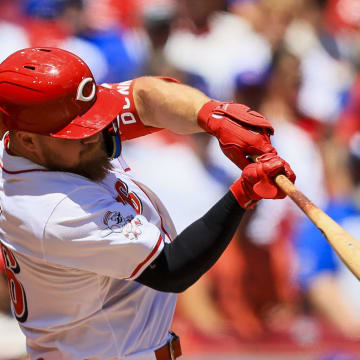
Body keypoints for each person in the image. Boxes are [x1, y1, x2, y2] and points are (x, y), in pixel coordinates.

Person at [0, 47, 295, 360]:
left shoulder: (44, 138)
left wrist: (213, 115)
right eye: (79, 132)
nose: (95, 133)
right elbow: (172, 269)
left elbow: (144, 97)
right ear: (27, 140)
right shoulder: (49, 208)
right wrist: (245, 192)